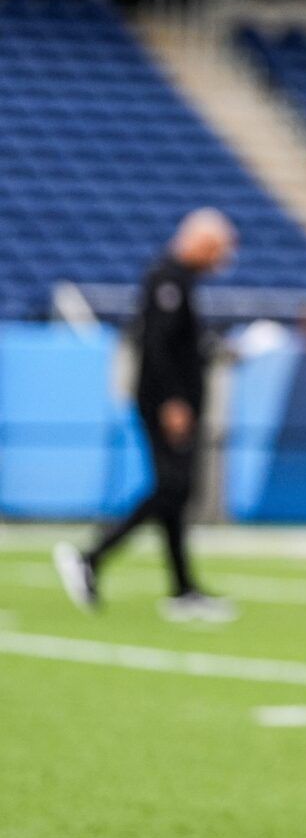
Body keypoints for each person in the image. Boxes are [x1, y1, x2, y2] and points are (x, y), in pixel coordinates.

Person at [54, 208, 238, 622]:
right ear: (201, 243)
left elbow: (180, 345)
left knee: (176, 494)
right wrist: (173, 400)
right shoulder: (167, 278)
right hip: (165, 403)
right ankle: (92, 556)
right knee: (173, 487)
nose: (222, 259)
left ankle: (182, 589)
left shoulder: (180, 280)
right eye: (218, 250)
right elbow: (155, 345)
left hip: (174, 402)